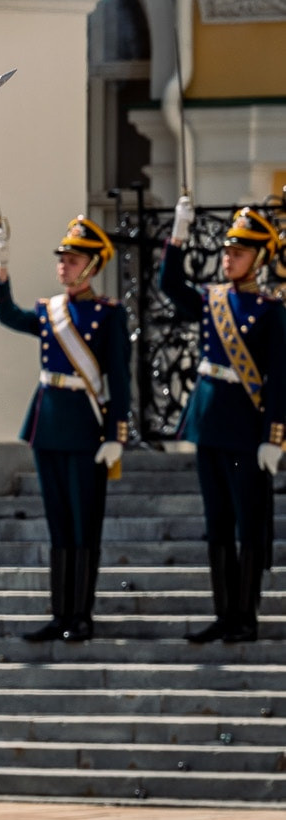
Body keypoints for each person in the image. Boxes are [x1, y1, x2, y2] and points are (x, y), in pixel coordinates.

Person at [0, 217, 129, 643]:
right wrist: (0, 269)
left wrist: (115, 436)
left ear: (91, 266)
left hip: (87, 429)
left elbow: (121, 379)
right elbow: (9, 315)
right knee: (59, 527)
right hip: (49, 426)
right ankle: (60, 614)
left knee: (83, 526)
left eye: (72, 260)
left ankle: (81, 615)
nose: (63, 267)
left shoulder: (109, 315)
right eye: (63, 260)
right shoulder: (50, 311)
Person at [157, 204, 284, 643]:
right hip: (208, 425)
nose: (229, 258)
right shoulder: (211, 301)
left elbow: (280, 379)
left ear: (259, 259)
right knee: (217, 522)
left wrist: (274, 435)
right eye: (228, 251)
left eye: (240, 252)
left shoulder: (270, 310)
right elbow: (169, 285)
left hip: (246, 431)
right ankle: (224, 613)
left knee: (247, 522)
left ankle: (245, 616)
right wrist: (178, 232)